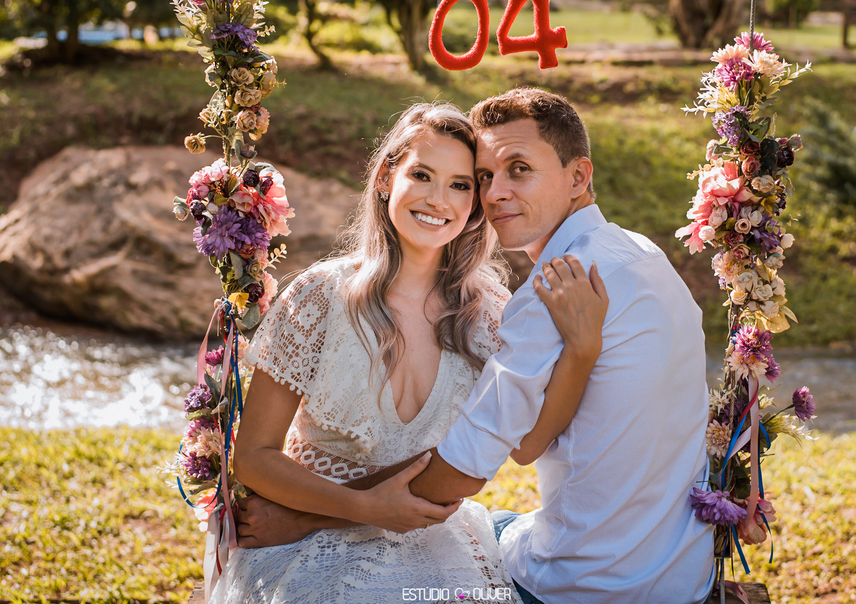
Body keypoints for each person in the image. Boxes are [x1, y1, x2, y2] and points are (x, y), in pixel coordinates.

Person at [210, 102, 609, 604]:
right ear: (384, 177)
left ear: (476, 203)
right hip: (301, 542)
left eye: (461, 185)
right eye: (422, 175)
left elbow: (526, 445)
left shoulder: (490, 315)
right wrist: (364, 509)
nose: (438, 199)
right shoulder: (319, 297)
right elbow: (253, 457)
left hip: (432, 539)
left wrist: (582, 349)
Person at [404, 88, 716, 604]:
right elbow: (528, 444)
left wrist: (333, 509)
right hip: (679, 573)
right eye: (484, 177)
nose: (494, 193)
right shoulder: (645, 255)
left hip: (580, 585)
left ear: (578, 176)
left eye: (518, 168)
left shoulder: (557, 286)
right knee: (500, 524)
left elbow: (463, 467)